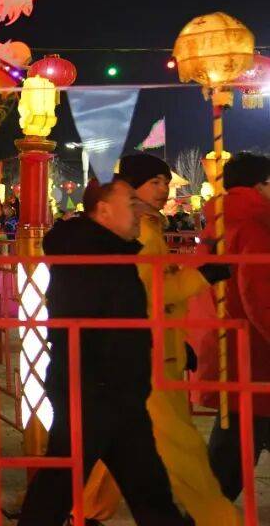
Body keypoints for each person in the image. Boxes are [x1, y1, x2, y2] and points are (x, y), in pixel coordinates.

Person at [74, 153, 240, 525]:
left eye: (165, 182)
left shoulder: (146, 227)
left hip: (147, 346)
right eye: (155, 182)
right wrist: (204, 276)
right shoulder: (143, 232)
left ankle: (83, 509)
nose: (163, 189)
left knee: (124, 439)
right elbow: (150, 294)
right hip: (148, 353)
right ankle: (219, 519)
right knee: (182, 448)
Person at [18, 180, 189, 526]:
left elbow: (124, 315)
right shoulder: (85, 254)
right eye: (131, 203)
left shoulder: (111, 252)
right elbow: (98, 319)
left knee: (148, 489)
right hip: (92, 390)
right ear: (105, 210)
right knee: (60, 485)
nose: (139, 211)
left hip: (117, 390)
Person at [194, 152, 270, 501]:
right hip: (255, 351)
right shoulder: (255, 224)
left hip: (232, 344)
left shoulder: (223, 221)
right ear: (260, 185)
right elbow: (259, 294)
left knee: (235, 439)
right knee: (234, 446)